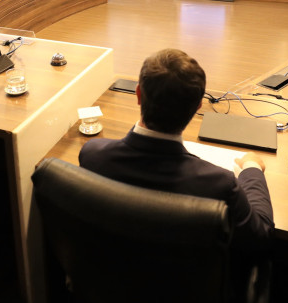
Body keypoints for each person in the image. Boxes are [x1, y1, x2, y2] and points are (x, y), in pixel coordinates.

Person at [79, 49, 273, 256]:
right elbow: (261, 235)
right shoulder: (219, 184)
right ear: (198, 106)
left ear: (138, 94)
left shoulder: (92, 154)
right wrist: (252, 169)